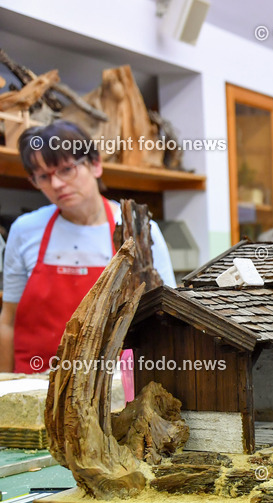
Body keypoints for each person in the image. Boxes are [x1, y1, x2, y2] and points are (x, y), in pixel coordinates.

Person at [0, 121, 176, 374]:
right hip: (36, 385)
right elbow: (8, 320)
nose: (57, 184)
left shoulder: (136, 228)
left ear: (95, 164)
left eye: (66, 169)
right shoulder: (25, 229)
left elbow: (165, 317)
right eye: (43, 176)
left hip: (112, 386)